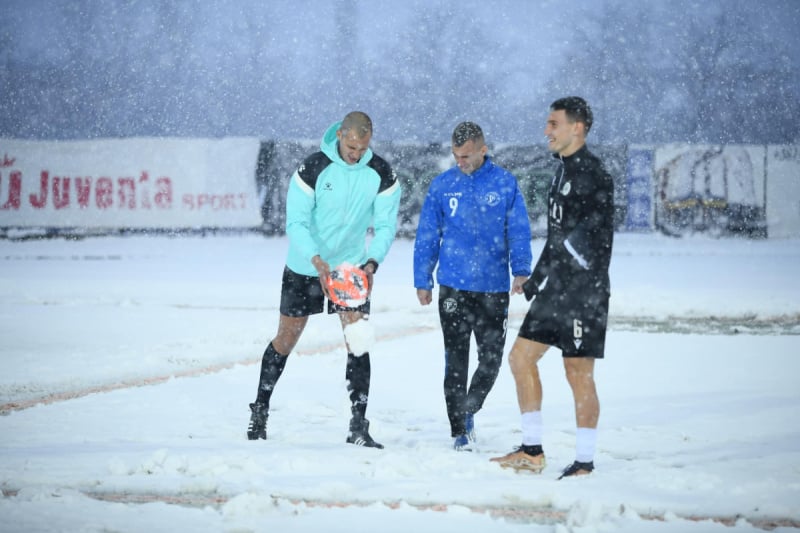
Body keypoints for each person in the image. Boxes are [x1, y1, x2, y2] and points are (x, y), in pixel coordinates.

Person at [246, 111, 401, 449]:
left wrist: (372, 263)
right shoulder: (313, 168)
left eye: (362, 147)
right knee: (286, 340)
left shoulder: (382, 173)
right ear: (340, 135)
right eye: (350, 145)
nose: (355, 153)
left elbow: (386, 225)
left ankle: (358, 425)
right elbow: (296, 223)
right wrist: (316, 260)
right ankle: (260, 411)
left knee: (358, 340)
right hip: (305, 268)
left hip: (350, 271)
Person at [490, 97, 614, 478]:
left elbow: (592, 241)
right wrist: (536, 281)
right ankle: (531, 451)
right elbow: (557, 238)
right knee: (520, 359)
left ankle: (585, 463)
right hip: (555, 291)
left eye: (553, 124)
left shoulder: (595, 175)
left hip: (583, 294)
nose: (546, 131)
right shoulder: (560, 171)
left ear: (577, 127)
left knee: (577, 373)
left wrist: (572, 280)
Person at [414, 121, 532, 451]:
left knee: (492, 360)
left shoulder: (505, 183)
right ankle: (459, 431)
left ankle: (469, 408)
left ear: (483, 149)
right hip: (453, 287)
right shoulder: (442, 186)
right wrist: (423, 279)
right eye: (455, 155)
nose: (460, 162)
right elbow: (427, 236)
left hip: (493, 289)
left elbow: (519, 230)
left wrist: (521, 270)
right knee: (455, 361)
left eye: (465, 156)